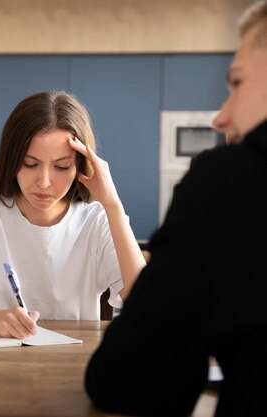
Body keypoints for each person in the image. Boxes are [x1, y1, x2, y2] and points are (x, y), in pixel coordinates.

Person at [85, 2, 267, 416]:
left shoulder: (227, 182)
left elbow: (129, 378)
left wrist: (111, 204)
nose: (220, 117)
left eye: (237, 83)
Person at [0, 91, 146, 340]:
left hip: (72, 367)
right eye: (30, 163)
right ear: (11, 160)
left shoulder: (97, 220)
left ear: (80, 165)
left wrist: (113, 206)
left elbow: (148, 305)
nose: (44, 182)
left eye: (61, 166)